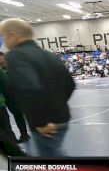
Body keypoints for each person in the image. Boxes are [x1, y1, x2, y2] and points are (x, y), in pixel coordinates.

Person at [0, 18, 75, 157]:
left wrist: (40, 122)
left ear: (13, 34)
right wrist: (57, 105)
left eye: (3, 36)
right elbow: (70, 84)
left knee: (53, 162)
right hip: (62, 117)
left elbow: (29, 88)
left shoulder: (15, 56)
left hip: (45, 123)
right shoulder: (49, 55)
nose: (3, 41)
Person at [0, 52, 30, 142]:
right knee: (5, 118)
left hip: (13, 95)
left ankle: (24, 134)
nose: (0, 60)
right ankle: (11, 138)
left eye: (1, 58)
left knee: (18, 115)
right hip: (3, 96)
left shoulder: (12, 68)